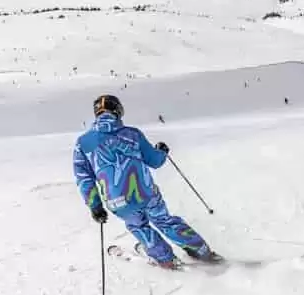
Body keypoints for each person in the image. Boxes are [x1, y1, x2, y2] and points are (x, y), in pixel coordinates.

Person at [72, 94, 221, 269]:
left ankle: (165, 258)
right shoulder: (132, 134)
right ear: (118, 111)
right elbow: (154, 161)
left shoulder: (83, 143)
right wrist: (162, 152)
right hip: (146, 193)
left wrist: (95, 206)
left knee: (138, 226)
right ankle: (200, 251)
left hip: (117, 200)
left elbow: (84, 178)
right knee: (164, 220)